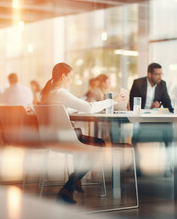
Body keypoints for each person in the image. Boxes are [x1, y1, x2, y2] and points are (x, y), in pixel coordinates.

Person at [40, 62, 125, 204]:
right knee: (99, 144)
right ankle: (71, 183)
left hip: (53, 138)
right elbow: (89, 108)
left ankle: (70, 186)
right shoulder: (61, 93)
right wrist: (111, 101)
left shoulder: (49, 93)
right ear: (63, 76)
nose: (72, 80)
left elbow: (62, 111)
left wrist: (77, 107)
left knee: (94, 142)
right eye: (71, 76)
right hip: (65, 139)